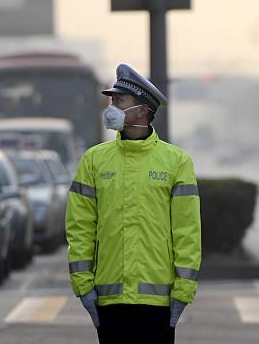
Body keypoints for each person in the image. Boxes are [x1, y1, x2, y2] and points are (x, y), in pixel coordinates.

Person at [66, 63, 202, 344]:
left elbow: (187, 231)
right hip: (109, 300)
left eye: (119, 101)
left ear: (142, 109)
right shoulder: (94, 160)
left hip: (158, 304)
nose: (111, 107)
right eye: (111, 100)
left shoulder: (176, 162)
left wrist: (183, 290)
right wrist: (83, 287)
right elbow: (80, 228)